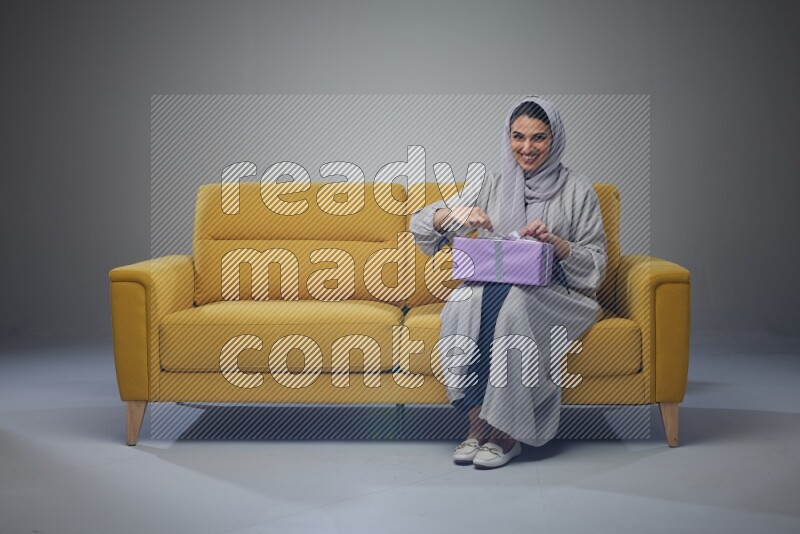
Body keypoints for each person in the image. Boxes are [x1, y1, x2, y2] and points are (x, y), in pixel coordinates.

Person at [408, 95, 607, 469]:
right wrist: (455, 213)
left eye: (539, 138)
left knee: (514, 304)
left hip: (555, 294)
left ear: (555, 139)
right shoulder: (491, 183)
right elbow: (420, 224)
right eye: (518, 137)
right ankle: (476, 422)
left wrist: (556, 244)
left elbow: (597, 264)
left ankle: (505, 431)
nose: (527, 148)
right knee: (463, 304)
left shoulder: (578, 189)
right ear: (508, 137)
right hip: (493, 287)